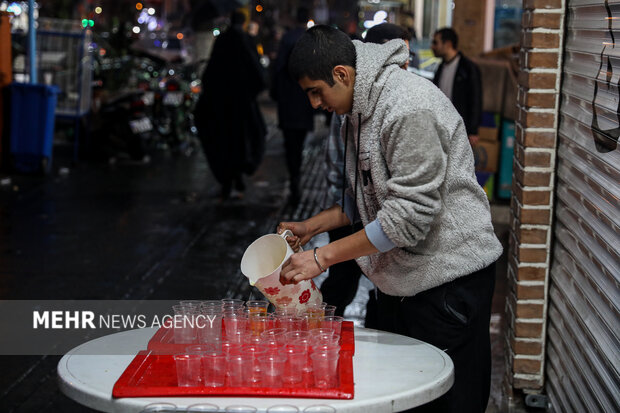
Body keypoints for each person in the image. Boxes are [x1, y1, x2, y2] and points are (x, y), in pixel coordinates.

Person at [277, 25, 502, 413]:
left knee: (449, 403)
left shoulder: (408, 107)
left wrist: (320, 258)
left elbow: (406, 220)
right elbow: (365, 199)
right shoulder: (356, 111)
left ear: (342, 75)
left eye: (317, 91)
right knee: (406, 398)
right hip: (402, 283)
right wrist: (309, 228)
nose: (315, 104)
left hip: (448, 283)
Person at [319, 23, 410, 318]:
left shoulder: (407, 104)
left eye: (407, 59)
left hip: (389, 220)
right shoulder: (348, 105)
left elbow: (408, 212)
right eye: (399, 58)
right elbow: (338, 171)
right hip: (352, 213)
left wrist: (320, 254)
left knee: (387, 290)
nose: (405, 67)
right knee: (342, 285)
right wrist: (323, 223)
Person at [195, 10, 267, 201]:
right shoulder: (245, 40)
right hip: (240, 106)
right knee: (241, 143)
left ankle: (228, 181)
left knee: (224, 143)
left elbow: (210, 73)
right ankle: (237, 178)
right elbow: (258, 73)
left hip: (221, 105)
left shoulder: (223, 41)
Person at [271, 7, 315, 205]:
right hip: (304, 100)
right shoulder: (310, 39)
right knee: (298, 143)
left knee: (291, 146)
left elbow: (278, 68)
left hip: (288, 101)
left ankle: (294, 179)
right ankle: (296, 179)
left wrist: (276, 93)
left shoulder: (288, 38)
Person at [431, 27, 482, 147]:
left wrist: (473, 131)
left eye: (435, 42)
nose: (432, 47)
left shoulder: (468, 69)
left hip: (460, 130)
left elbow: (476, 100)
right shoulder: (440, 67)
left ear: (447, 44)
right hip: (441, 128)